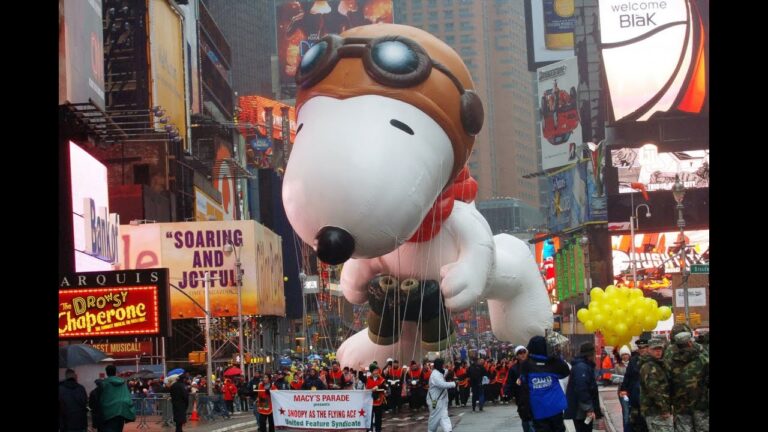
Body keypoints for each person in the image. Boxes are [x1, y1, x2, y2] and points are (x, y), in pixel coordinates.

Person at [520, 335, 570, 432]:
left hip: (538, 408)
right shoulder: (553, 362)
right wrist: (556, 356)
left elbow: (524, 386)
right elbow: (566, 372)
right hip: (556, 406)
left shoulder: (526, 364)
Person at [665, 331, 709, 432]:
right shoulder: (702, 357)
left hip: (680, 405)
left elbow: (667, 383)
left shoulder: (670, 360)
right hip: (701, 403)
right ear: (690, 343)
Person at [565, 342, 602, 432]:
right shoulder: (581, 367)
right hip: (581, 411)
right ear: (590, 354)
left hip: (582, 410)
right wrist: (588, 409)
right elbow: (582, 389)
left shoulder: (584, 366)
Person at [639, 339, 672, 432]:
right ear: (649, 350)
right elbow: (653, 390)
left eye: (660, 349)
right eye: (655, 349)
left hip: (658, 409)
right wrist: (664, 409)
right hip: (654, 410)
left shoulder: (659, 364)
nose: (658, 351)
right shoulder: (649, 367)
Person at [621, 334, 651, 432]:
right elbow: (628, 376)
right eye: (640, 348)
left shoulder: (652, 360)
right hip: (635, 398)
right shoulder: (633, 360)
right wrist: (624, 389)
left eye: (644, 347)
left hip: (648, 399)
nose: (642, 350)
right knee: (634, 423)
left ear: (648, 348)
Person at [97, 364, 136, 432]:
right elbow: (127, 395)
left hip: (108, 412)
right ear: (115, 372)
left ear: (106, 372)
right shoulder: (123, 382)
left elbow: (100, 397)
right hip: (121, 411)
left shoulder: (104, 383)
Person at [504, 346, 534, 432]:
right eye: (520, 353)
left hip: (533, 396)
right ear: (517, 356)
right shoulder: (513, 369)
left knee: (532, 422)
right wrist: (507, 394)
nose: (523, 354)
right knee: (525, 421)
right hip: (521, 398)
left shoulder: (533, 365)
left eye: (524, 352)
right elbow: (510, 383)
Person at [427, 358, 456, 432]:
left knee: (444, 416)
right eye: (443, 364)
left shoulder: (439, 373)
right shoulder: (435, 375)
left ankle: (448, 430)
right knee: (434, 418)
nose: (444, 366)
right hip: (435, 400)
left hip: (441, 400)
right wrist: (453, 384)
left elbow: (445, 372)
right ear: (439, 365)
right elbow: (441, 384)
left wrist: (450, 369)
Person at [366, 365, 389, 432]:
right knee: (369, 417)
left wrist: (378, 387)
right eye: (374, 370)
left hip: (379, 401)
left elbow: (386, 387)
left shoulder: (381, 379)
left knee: (378, 418)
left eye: (377, 370)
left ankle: (378, 430)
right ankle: (369, 430)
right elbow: (367, 389)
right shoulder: (368, 379)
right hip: (370, 402)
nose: (376, 372)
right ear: (371, 371)